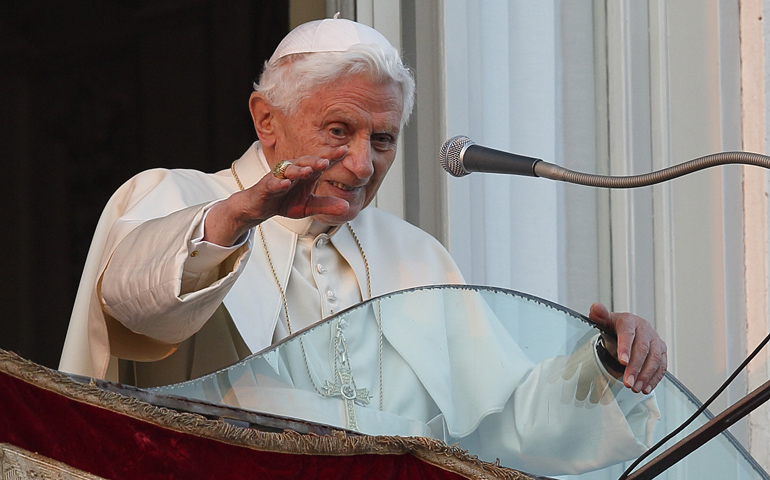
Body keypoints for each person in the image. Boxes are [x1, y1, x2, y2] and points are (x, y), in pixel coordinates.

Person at [59, 17, 667, 475]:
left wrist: (607, 367)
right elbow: (134, 298)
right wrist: (237, 218)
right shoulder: (183, 197)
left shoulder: (414, 255)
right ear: (266, 120)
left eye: (383, 139)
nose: (361, 163)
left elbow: (504, 428)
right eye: (338, 130)